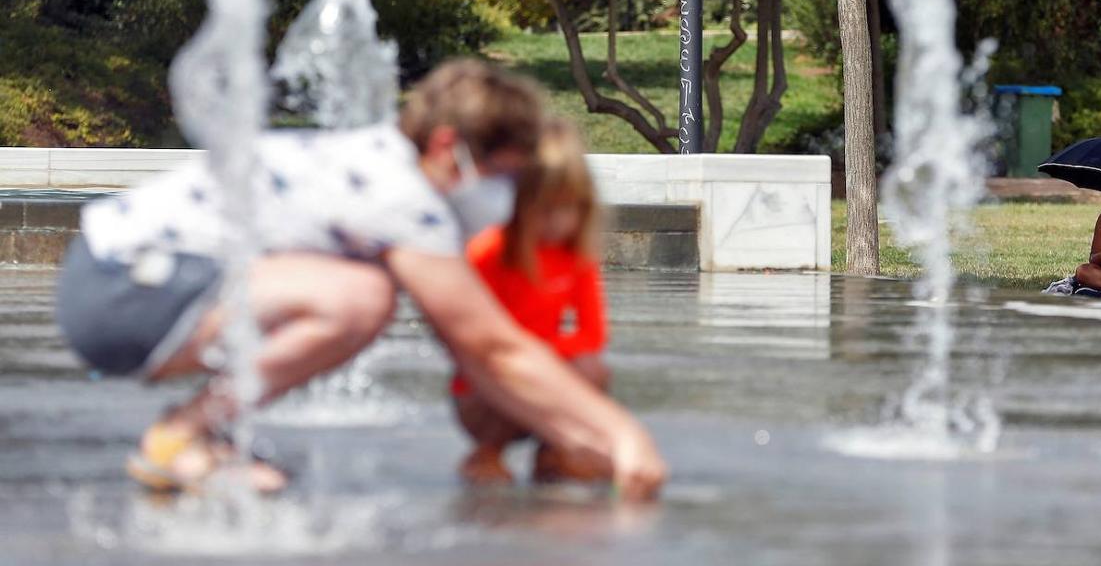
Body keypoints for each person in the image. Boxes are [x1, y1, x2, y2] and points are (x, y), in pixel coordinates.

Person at [55, 59, 665, 500]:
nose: (508, 198)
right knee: (358, 300)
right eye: (505, 176)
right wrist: (622, 433)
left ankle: (202, 437)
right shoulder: (401, 198)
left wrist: (579, 438)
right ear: (449, 146)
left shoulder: (384, 170)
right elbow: (490, 346)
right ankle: (182, 433)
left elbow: (476, 356)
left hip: (120, 281)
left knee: (358, 294)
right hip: (121, 289)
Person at [452, 119, 611, 485]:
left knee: (593, 370)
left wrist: (551, 357)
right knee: (507, 372)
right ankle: (487, 452)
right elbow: (473, 338)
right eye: (545, 208)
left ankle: (554, 451)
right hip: (486, 393)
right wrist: (534, 358)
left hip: (542, 371)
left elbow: (592, 335)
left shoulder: (577, 259)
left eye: (568, 208)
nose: (557, 221)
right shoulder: (490, 253)